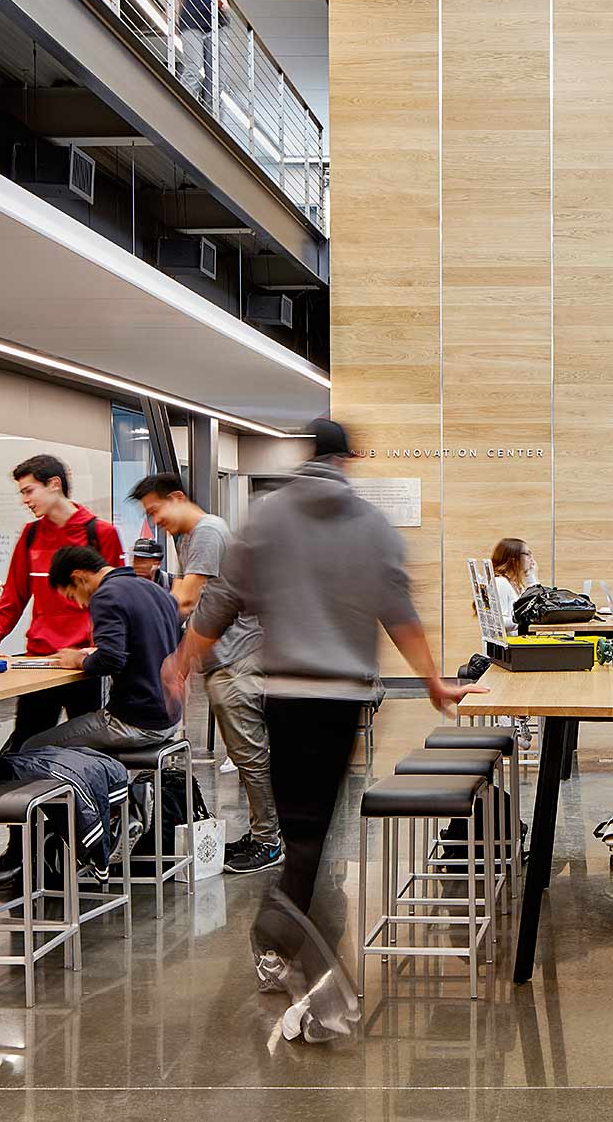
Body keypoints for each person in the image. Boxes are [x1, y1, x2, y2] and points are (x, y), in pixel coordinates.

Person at [165, 417, 467, 1046]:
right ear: (348, 459)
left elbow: (220, 598)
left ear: (307, 456)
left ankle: (283, 941)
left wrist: (187, 654)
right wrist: (434, 680)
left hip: (285, 693)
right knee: (312, 833)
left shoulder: (268, 517)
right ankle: (284, 942)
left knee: (304, 831)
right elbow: (399, 613)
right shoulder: (371, 525)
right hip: (341, 700)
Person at [0, 455, 124, 891]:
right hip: (39, 662)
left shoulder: (100, 533)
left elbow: (111, 595)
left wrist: (95, 649)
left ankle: (86, 845)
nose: (25, 500)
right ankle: (22, 853)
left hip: (84, 668)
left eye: (28, 490)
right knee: (20, 755)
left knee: (84, 758)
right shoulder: (31, 535)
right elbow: (13, 598)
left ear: (54, 484)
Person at [131, 472, 280, 875]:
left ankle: (269, 841)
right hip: (222, 659)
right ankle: (263, 833)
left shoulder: (209, 532)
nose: (155, 521)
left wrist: (134, 616)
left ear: (177, 497)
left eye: (156, 510)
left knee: (249, 754)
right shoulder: (189, 539)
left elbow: (185, 598)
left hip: (238, 659)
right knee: (245, 753)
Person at [24, 544, 182, 754]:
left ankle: (79, 786)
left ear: (79, 577)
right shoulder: (154, 589)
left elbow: (111, 660)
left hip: (136, 721)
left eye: (72, 596)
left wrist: (77, 660)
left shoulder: (106, 595)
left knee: (31, 746)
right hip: (170, 717)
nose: (80, 605)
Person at [489, 537, 535, 632]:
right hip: (508, 645)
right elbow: (499, 623)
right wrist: (526, 620)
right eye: (527, 554)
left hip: (518, 642)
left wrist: (531, 575)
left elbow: (538, 604)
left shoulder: (517, 584)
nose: (532, 559)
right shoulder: (500, 583)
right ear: (514, 559)